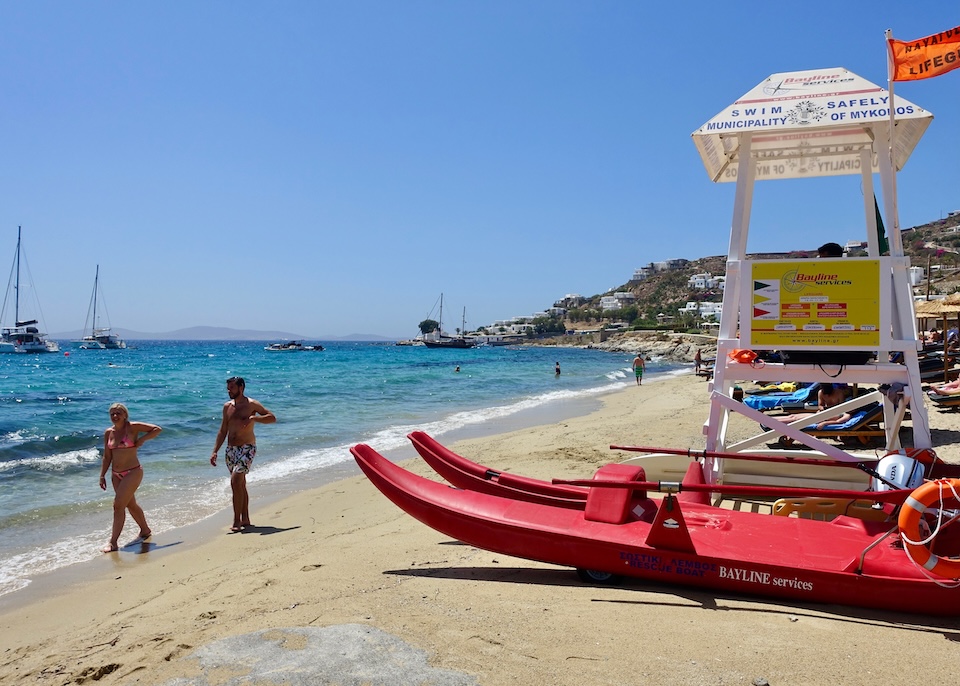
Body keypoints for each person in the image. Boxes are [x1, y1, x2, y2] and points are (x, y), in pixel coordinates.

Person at [211, 377, 276, 532]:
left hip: (247, 448)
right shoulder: (227, 407)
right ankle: (246, 518)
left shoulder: (252, 404)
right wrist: (215, 451)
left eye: (232, 388)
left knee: (235, 481)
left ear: (241, 387)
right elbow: (223, 430)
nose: (229, 391)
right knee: (240, 484)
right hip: (231, 450)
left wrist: (255, 418)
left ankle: (236, 521)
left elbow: (272, 418)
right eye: (228, 388)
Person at [99, 403, 161, 553]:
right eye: (112, 414)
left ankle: (113, 542)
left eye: (118, 413)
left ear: (125, 415)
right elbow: (107, 457)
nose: (115, 416)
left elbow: (156, 429)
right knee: (130, 504)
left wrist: (142, 440)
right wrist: (102, 475)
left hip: (133, 472)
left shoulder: (132, 427)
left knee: (118, 505)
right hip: (116, 475)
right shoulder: (109, 432)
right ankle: (145, 530)